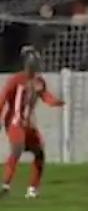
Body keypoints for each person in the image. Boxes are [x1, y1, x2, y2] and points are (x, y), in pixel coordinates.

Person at [0, 47, 64, 199]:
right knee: (18, 147)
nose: (35, 65)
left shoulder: (39, 82)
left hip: (29, 124)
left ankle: (32, 189)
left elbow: (46, 96)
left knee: (39, 153)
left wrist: (56, 102)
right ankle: (6, 184)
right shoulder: (16, 80)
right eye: (32, 62)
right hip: (15, 122)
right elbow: (3, 98)